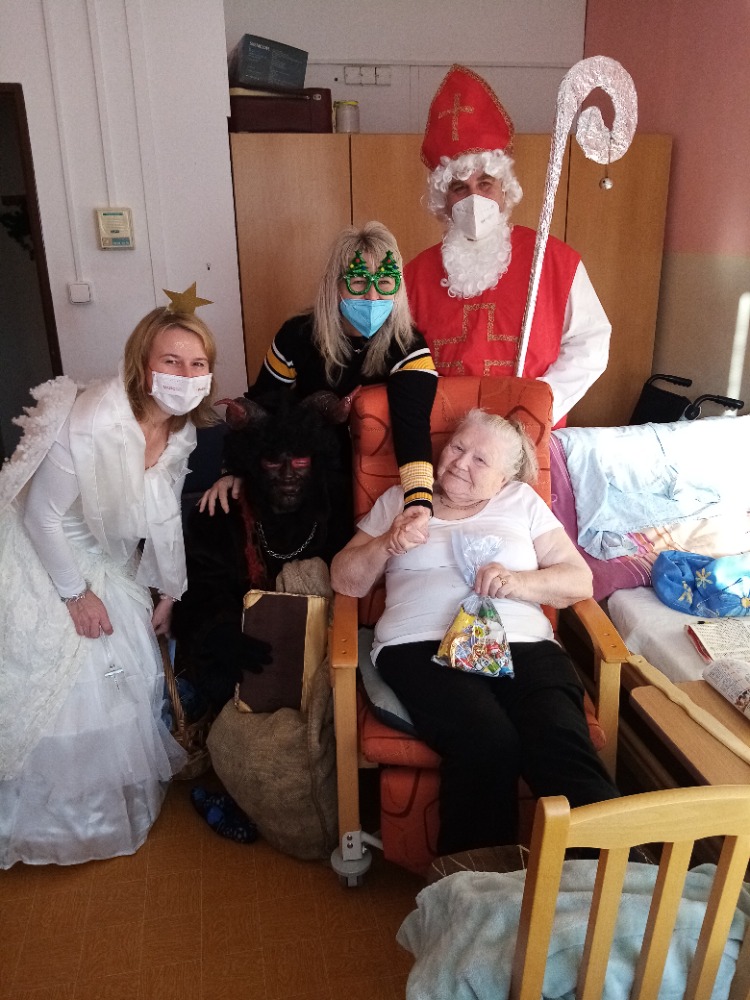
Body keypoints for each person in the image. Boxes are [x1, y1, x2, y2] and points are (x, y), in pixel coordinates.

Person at [331, 408, 620, 854]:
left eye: (480, 460)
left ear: (505, 478)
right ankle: (477, 887)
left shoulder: (522, 501)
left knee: (559, 740)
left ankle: (604, 878)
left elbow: (578, 580)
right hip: (420, 646)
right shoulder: (402, 500)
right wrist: (386, 544)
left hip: (524, 644)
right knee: (486, 741)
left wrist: (518, 582)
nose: (461, 462)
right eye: (457, 447)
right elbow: (345, 580)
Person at [0, 284, 217, 868]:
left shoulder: (179, 428)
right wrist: (75, 596)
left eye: (197, 364)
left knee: (127, 672)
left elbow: (164, 514)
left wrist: (168, 589)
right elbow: (42, 517)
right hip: (47, 552)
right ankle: (57, 824)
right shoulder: (93, 419)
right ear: (143, 365)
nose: (185, 375)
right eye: (171, 361)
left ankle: (103, 806)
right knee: (76, 682)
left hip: (105, 556)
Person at [405, 64, 611, 428]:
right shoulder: (414, 276)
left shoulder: (553, 261)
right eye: (459, 188)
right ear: (444, 201)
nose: (474, 198)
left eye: (485, 184)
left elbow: (590, 342)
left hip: (527, 431)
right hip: (445, 434)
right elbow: (399, 359)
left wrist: (539, 403)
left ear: (505, 190)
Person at [204, 220, 438, 535]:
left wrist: (419, 500)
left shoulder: (408, 346)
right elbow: (261, 408)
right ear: (334, 284)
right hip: (306, 479)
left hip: (378, 479)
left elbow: (414, 427)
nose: (372, 297)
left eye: (385, 282)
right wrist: (232, 471)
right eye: (358, 282)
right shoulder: (296, 335)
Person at [173, 394, 339, 714]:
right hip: (243, 654)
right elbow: (196, 591)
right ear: (253, 463)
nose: (288, 473)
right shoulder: (220, 514)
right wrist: (221, 634)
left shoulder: (335, 507)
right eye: (274, 462)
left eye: (300, 462)